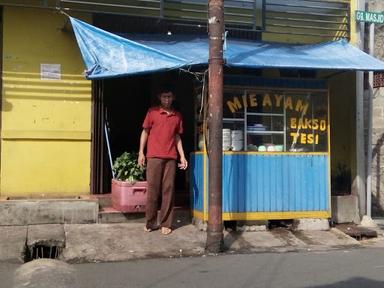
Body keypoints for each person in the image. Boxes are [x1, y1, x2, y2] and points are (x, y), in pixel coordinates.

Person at [138, 86, 188, 235]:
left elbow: (177, 137)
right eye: (164, 96)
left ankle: (166, 223)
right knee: (152, 191)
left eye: (169, 97)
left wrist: (182, 156)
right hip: (153, 156)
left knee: (169, 191)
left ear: (173, 98)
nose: (167, 99)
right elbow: (145, 132)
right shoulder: (152, 112)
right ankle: (151, 222)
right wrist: (141, 152)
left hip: (171, 157)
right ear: (160, 97)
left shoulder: (177, 116)